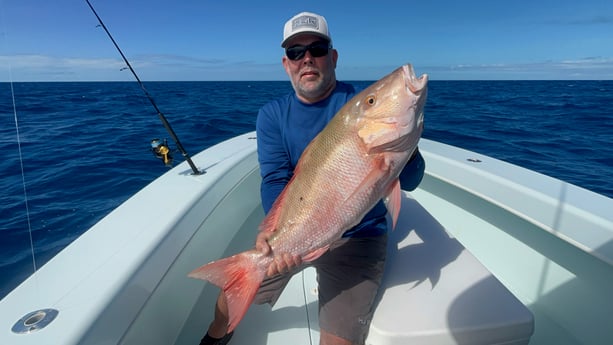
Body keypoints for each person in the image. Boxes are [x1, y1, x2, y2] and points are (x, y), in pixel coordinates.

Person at [200, 11, 425, 345]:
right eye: (295, 52)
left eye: (317, 49)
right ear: (286, 63)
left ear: (332, 57)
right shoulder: (272, 115)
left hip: (360, 238)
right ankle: (212, 339)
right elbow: (275, 179)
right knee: (231, 290)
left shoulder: (355, 103)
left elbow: (410, 181)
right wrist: (275, 236)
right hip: (297, 230)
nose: (306, 59)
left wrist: (407, 144)